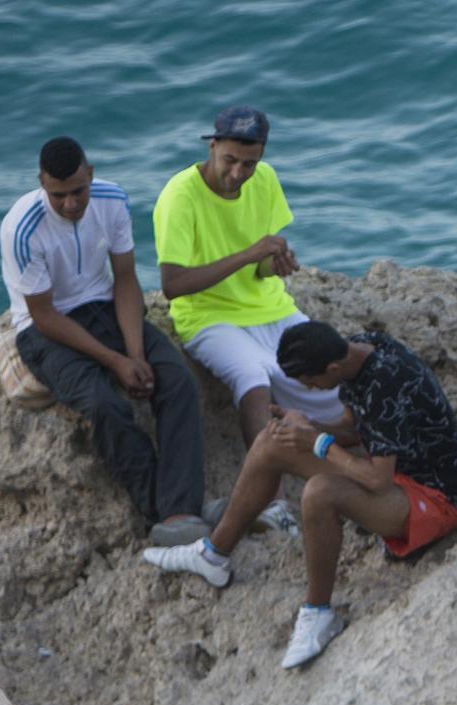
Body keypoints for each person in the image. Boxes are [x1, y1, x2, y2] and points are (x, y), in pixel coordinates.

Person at [143, 321, 457, 669]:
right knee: (273, 440)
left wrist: (317, 442)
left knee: (319, 493)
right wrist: (307, 428)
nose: (310, 389)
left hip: (436, 498)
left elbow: (378, 480)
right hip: (396, 474)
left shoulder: (386, 382)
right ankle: (213, 555)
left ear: (332, 368)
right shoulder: (359, 351)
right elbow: (352, 429)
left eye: (310, 382)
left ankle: (318, 613)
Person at [0, 136, 208, 546]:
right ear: (41, 183)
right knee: (103, 404)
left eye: (78, 191)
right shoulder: (22, 228)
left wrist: (135, 352)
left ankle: (182, 509)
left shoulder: (113, 200)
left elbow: (126, 279)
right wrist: (115, 362)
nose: (71, 204)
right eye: (58, 195)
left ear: (90, 175)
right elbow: (43, 315)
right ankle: (162, 512)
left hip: (105, 307)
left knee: (178, 380)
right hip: (45, 330)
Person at [152, 105, 342, 534]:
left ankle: (354, 474)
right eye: (230, 161)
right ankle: (271, 504)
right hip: (207, 317)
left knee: (333, 374)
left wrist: (276, 264)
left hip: (270, 308)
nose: (239, 173)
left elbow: (261, 269)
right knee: (252, 378)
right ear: (212, 146)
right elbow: (173, 284)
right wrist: (249, 254)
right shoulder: (180, 195)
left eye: (249, 164)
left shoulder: (267, 180)